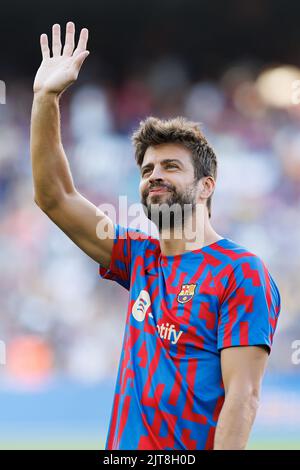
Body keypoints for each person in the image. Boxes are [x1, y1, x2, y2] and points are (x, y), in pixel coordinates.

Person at [30, 22, 281, 450]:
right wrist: (45, 99)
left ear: (206, 186)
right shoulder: (139, 256)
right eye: (147, 170)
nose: (155, 177)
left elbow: (244, 398)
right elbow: (54, 197)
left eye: (170, 166)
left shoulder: (241, 273)